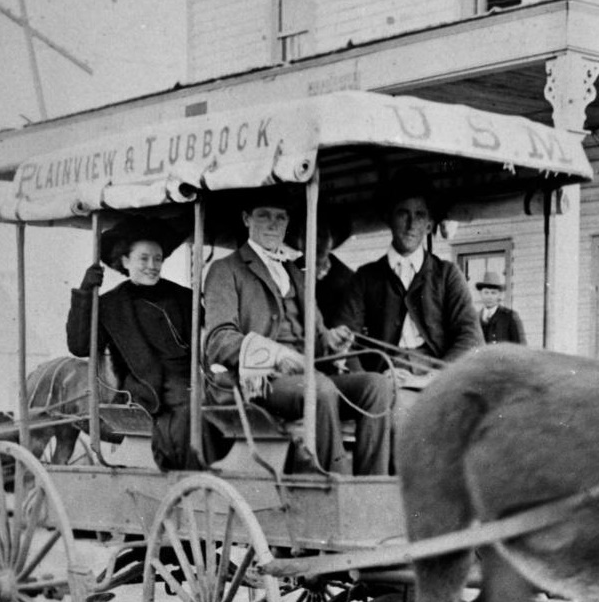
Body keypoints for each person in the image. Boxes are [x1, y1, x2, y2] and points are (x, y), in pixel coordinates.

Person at [202, 190, 392, 476]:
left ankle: (372, 485)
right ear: (246, 219)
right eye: (263, 215)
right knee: (320, 388)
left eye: (280, 217)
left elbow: (315, 341)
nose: (273, 224)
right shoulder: (225, 269)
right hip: (261, 383)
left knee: (377, 386)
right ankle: (335, 482)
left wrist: (330, 340)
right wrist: (275, 354)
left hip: (307, 377)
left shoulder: (296, 273)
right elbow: (219, 340)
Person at [66, 220, 198, 470]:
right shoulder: (111, 305)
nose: (152, 266)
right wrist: (85, 293)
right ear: (125, 261)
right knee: (188, 406)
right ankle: (181, 469)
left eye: (157, 259)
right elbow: (80, 346)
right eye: (144, 258)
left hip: (189, 380)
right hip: (144, 387)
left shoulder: (183, 297)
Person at [344, 167, 483, 374]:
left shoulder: (446, 274)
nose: (411, 225)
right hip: (383, 375)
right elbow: (342, 335)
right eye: (403, 213)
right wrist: (368, 382)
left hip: (436, 376)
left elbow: (470, 336)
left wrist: (437, 377)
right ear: (388, 218)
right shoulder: (365, 277)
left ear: (429, 225)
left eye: (419, 215)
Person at [476, 271, 525, 345]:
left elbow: (518, 347)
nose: (489, 297)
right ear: (480, 294)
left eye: (493, 293)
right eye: (486, 292)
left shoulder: (509, 316)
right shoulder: (475, 319)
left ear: (499, 295)